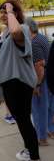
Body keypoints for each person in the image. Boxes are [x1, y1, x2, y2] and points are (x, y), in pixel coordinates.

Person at [0, 0, 40, 161]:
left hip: (18, 83)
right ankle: (30, 150)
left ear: (15, 12)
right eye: (2, 11)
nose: (3, 14)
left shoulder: (23, 29)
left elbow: (15, 31)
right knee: (21, 120)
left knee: (24, 120)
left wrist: (10, 10)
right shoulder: (5, 32)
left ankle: (34, 155)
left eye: (5, 11)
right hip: (10, 83)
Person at [25, 17, 51, 146]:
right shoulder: (42, 37)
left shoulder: (33, 42)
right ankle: (49, 132)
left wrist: (37, 85)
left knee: (39, 109)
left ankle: (41, 138)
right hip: (48, 78)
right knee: (47, 107)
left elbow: (39, 65)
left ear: (28, 28)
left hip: (41, 80)